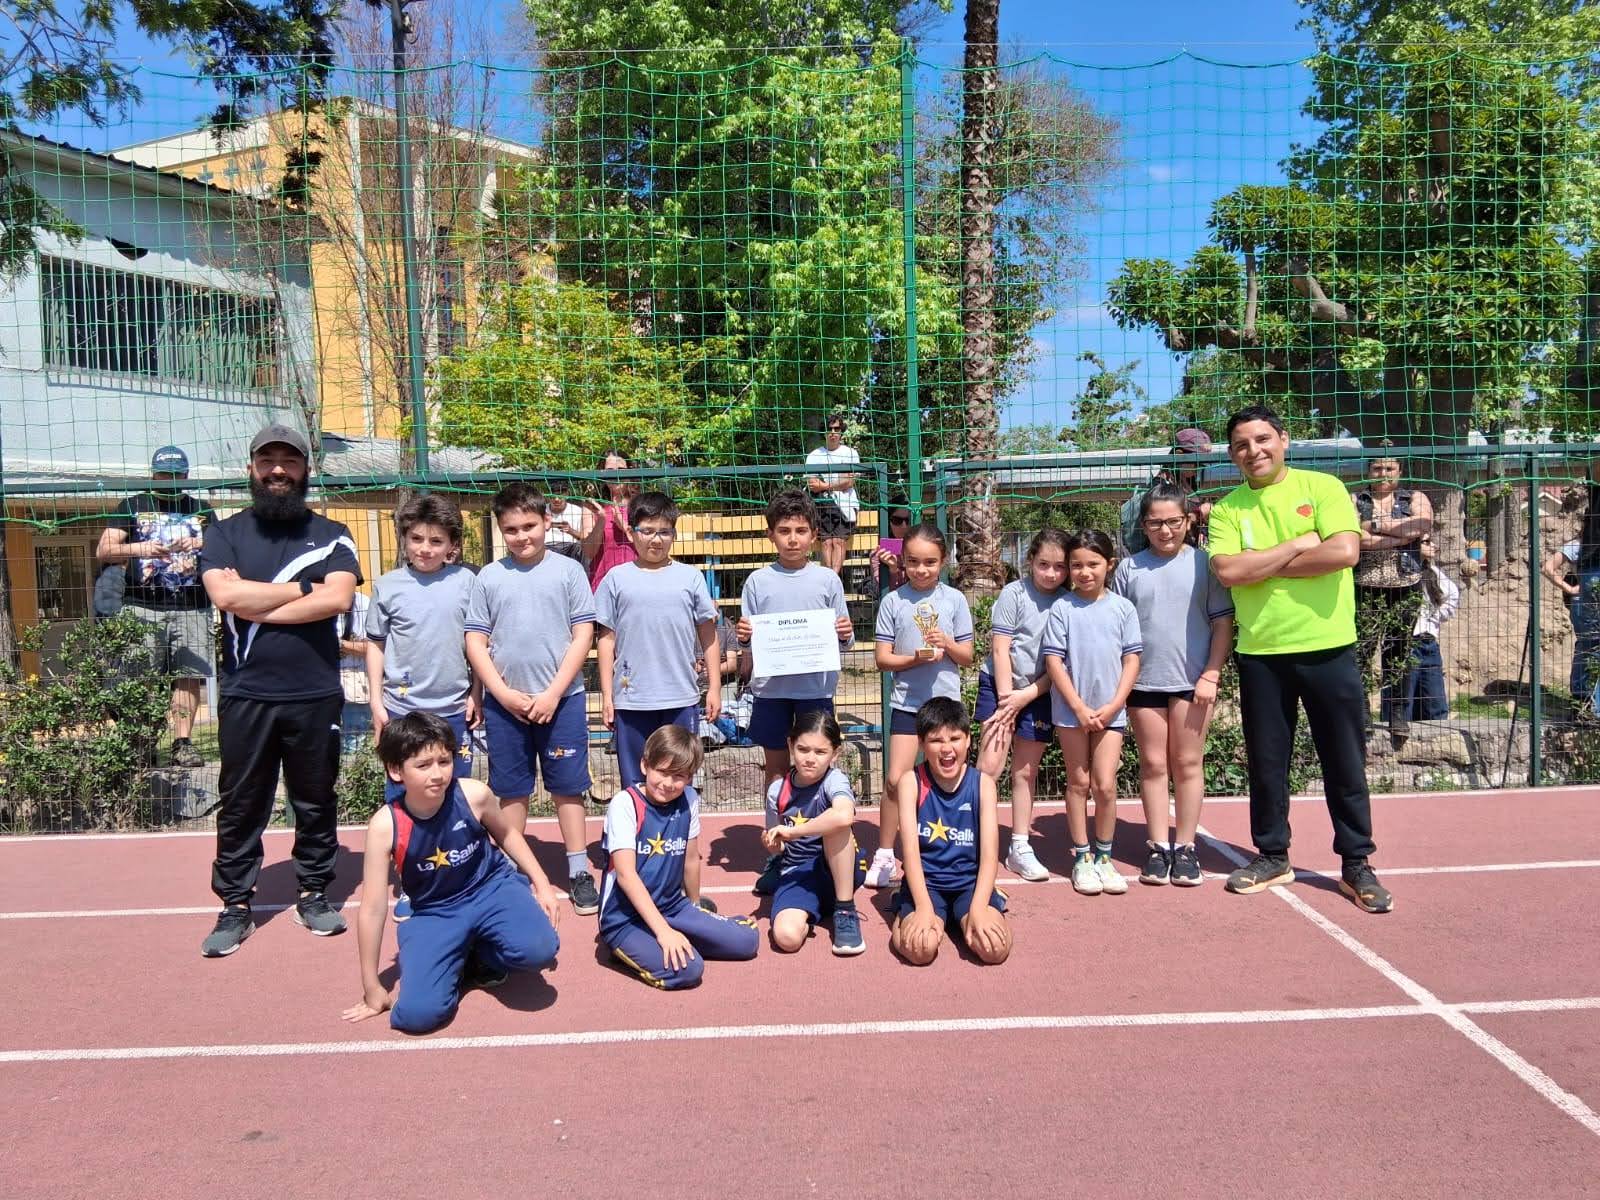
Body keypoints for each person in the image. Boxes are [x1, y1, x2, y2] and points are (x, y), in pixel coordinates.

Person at [1207, 404, 1392, 914]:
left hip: (1327, 648)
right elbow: (1227, 571)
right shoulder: (1227, 509)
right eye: (1242, 444)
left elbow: (1344, 554)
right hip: (1261, 654)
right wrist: (1294, 546)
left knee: (1344, 761)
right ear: (1232, 454)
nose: (1254, 451)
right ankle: (1272, 855)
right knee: (1267, 764)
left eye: (1263, 439)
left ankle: (1357, 863)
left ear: (1283, 440)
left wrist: (1261, 566)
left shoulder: (1323, 488)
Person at [197, 423, 361, 958]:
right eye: (266, 461)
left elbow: (336, 601)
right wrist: (300, 589)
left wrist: (256, 598)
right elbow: (225, 596)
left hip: (315, 693)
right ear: (251, 469)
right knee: (243, 803)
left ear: (305, 469)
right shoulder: (223, 532)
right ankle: (235, 905)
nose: (277, 471)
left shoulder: (334, 533)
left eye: (288, 462)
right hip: (247, 694)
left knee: (315, 800)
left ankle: (314, 892)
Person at [341, 713, 561, 1033]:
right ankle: (456, 958)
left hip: (491, 888)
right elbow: (373, 908)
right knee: (417, 1015)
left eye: (444, 761)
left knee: (540, 949)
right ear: (395, 770)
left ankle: (482, 955)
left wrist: (542, 884)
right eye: (423, 765)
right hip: (436, 911)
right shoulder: (385, 826)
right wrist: (372, 985)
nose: (437, 774)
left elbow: (508, 834)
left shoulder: (473, 794)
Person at [464, 483, 599, 915]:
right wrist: (501, 693)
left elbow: (583, 634)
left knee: (569, 789)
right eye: (512, 529)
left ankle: (578, 870)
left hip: (563, 701)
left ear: (546, 521)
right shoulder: (489, 577)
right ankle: (511, 870)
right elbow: (475, 641)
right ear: (501, 530)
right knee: (511, 792)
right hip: (508, 708)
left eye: (529, 526)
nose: (522, 536)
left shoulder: (568, 571)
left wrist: (553, 692)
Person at [1113, 482, 1235, 887]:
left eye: (1173, 522)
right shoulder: (1128, 569)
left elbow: (1222, 623)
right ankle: (1157, 846)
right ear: (1143, 525)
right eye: (1155, 523)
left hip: (1192, 683)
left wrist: (1211, 673)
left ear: (1188, 521)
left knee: (1186, 764)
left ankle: (1185, 848)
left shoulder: (1205, 565)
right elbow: (1115, 626)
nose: (1165, 530)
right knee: (1152, 765)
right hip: (1143, 683)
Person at [736, 489, 854, 893]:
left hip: (814, 689)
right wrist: (744, 636)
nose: (792, 538)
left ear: (815, 535)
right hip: (771, 690)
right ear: (771, 535)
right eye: (784, 530)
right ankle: (777, 852)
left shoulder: (826, 579)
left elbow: (844, 637)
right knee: (776, 772)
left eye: (800, 530)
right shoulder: (757, 581)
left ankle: (820, 846)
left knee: (817, 768)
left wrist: (845, 633)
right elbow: (747, 641)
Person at [598, 725, 760, 988]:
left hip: (673, 906)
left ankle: (675, 935)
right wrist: (663, 933)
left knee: (747, 941)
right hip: (624, 918)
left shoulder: (688, 799)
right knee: (688, 969)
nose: (668, 783)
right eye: (661, 772)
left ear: (690, 778)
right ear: (644, 765)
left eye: (679, 776)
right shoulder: (625, 804)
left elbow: (691, 859)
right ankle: (627, 948)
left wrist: (695, 909)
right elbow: (626, 876)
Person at [95, 445, 217, 767]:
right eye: (165, 475)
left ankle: (182, 743)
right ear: (153, 476)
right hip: (142, 606)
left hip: (192, 605)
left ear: (187, 476)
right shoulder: (133, 506)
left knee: (188, 676)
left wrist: (198, 542)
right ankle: (140, 745)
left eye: (177, 475)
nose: (171, 481)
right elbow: (104, 550)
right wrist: (143, 547)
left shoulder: (201, 509)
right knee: (139, 676)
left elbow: (226, 545)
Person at [870, 522, 974, 889]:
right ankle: (885, 853)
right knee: (896, 781)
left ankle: (944, 848)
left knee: (946, 781)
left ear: (943, 561)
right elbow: (883, 659)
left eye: (930, 562)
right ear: (902, 561)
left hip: (945, 708)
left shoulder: (955, 600)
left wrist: (946, 643)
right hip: (907, 704)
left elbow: (967, 655)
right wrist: (914, 657)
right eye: (913, 561)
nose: (921, 569)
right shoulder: (893, 602)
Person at [596, 491, 721, 789]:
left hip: (680, 697)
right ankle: (636, 834)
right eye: (648, 531)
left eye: (664, 532)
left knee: (678, 779)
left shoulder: (690, 577)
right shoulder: (615, 578)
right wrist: (607, 695)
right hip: (631, 699)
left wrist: (714, 686)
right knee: (635, 783)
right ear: (632, 531)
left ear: (674, 534)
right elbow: (605, 639)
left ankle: (680, 835)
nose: (656, 539)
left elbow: (708, 634)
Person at [1042, 529, 1142, 897]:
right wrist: (1079, 707)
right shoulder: (1062, 608)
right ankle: (1082, 858)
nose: (1084, 572)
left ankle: (1104, 856)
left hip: (1110, 713)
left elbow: (1132, 658)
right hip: (1072, 713)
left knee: (1104, 784)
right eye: (1077, 566)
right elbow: (1054, 660)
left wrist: (1115, 704)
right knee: (1078, 783)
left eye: (1093, 564)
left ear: (1109, 565)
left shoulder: (1123, 608)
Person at [365, 493, 479, 816]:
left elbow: (477, 644)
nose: (424, 548)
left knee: (455, 793)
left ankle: (457, 861)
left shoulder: (467, 582)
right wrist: (376, 700)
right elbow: (376, 644)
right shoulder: (388, 585)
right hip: (402, 710)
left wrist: (477, 693)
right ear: (404, 538)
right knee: (403, 795)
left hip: (454, 709)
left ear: (452, 545)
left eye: (435, 540)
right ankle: (407, 860)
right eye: (416, 538)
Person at [974, 528, 1069, 883]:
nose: (1051, 573)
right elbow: (1001, 649)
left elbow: (1060, 663)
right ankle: (976, 843)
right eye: (1044, 564)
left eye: (1059, 567)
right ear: (1030, 562)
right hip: (999, 689)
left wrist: (1027, 695)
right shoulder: (1013, 594)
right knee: (989, 767)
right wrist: (1005, 701)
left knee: (1025, 773)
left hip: (1039, 693)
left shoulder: (1066, 602)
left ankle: (1019, 845)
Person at [889, 697, 1011, 967]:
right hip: (928, 884)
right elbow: (910, 852)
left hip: (969, 883)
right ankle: (907, 906)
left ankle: (969, 911)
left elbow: (990, 855)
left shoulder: (983, 785)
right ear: (921, 744)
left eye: (955, 738)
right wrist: (922, 907)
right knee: (920, 951)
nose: (946, 749)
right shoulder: (911, 782)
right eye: (935, 740)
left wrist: (979, 907)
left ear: (968, 740)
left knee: (995, 950)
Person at [762, 710, 867, 956]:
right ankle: (809, 905)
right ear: (790, 745)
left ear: (835, 753)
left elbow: (844, 815)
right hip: (798, 871)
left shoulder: (834, 780)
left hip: (837, 870)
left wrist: (793, 831)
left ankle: (845, 910)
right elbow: (777, 846)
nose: (810, 759)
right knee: (786, 938)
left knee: (836, 824)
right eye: (803, 749)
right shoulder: (777, 791)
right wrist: (774, 844)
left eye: (820, 752)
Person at [1353, 452, 1434, 739]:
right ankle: (1361, 713)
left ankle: (1398, 714)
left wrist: (1373, 527)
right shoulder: (1355, 500)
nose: (1383, 474)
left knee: (1398, 652)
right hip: (1364, 585)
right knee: (1361, 652)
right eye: (1376, 468)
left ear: (1400, 471)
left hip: (1405, 584)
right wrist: (1402, 537)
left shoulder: (1414, 497)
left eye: (1389, 468)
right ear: (1368, 471)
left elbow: (1421, 525)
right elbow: (1353, 537)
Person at [1544, 460, 1600, 714]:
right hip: (1588, 586)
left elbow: (1547, 567)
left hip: (1584, 589)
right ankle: (1586, 702)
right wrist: (1569, 589)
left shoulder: (1582, 543)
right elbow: (1548, 567)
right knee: (1591, 644)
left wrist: (1568, 588)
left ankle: (1583, 701)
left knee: (1588, 644)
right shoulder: (1581, 545)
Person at [1119, 427, 1214, 556]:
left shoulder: (1187, 484)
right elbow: (1165, 521)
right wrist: (1198, 514)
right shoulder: (1160, 488)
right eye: (1197, 462)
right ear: (1179, 455)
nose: (1199, 467)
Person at [1398, 534, 1459, 722]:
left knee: (1435, 703)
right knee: (1403, 701)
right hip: (1406, 643)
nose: (1433, 545)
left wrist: (1434, 618)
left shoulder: (1432, 571)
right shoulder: (1400, 569)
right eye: (1426, 542)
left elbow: (1453, 596)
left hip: (1428, 643)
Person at [806, 417, 861, 575]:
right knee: (826, 543)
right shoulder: (814, 456)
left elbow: (849, 482)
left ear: (841, 432)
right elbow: (812, 484)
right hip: (822, 505)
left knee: (838, 541)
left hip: (846, 505)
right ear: (824, 432)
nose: (833, 433)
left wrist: (825, 486)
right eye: (830, 429)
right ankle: (829, 579)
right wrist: (836, 484)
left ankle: (833, 580)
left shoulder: (850, 453)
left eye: (837, 429)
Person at [586, 450, 638, 591]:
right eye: (610, 470)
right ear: (602, 473)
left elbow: (654, 545)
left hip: (637, 585)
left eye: (620, 469)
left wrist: (624, 526)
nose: (615, 474)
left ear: (630, 471)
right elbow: (589, 553)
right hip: (602, 586)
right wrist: (601, 520)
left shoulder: (642, 505)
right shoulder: (593, 507)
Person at [545, 494, 594, 564]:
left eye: (560, 496)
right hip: (546, 549)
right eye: (553, 496)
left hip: (571, 550)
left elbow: (585, 538)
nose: (556, 499)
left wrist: (570, 531)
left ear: (566, 494)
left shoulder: (577, 511)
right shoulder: (540, 510)